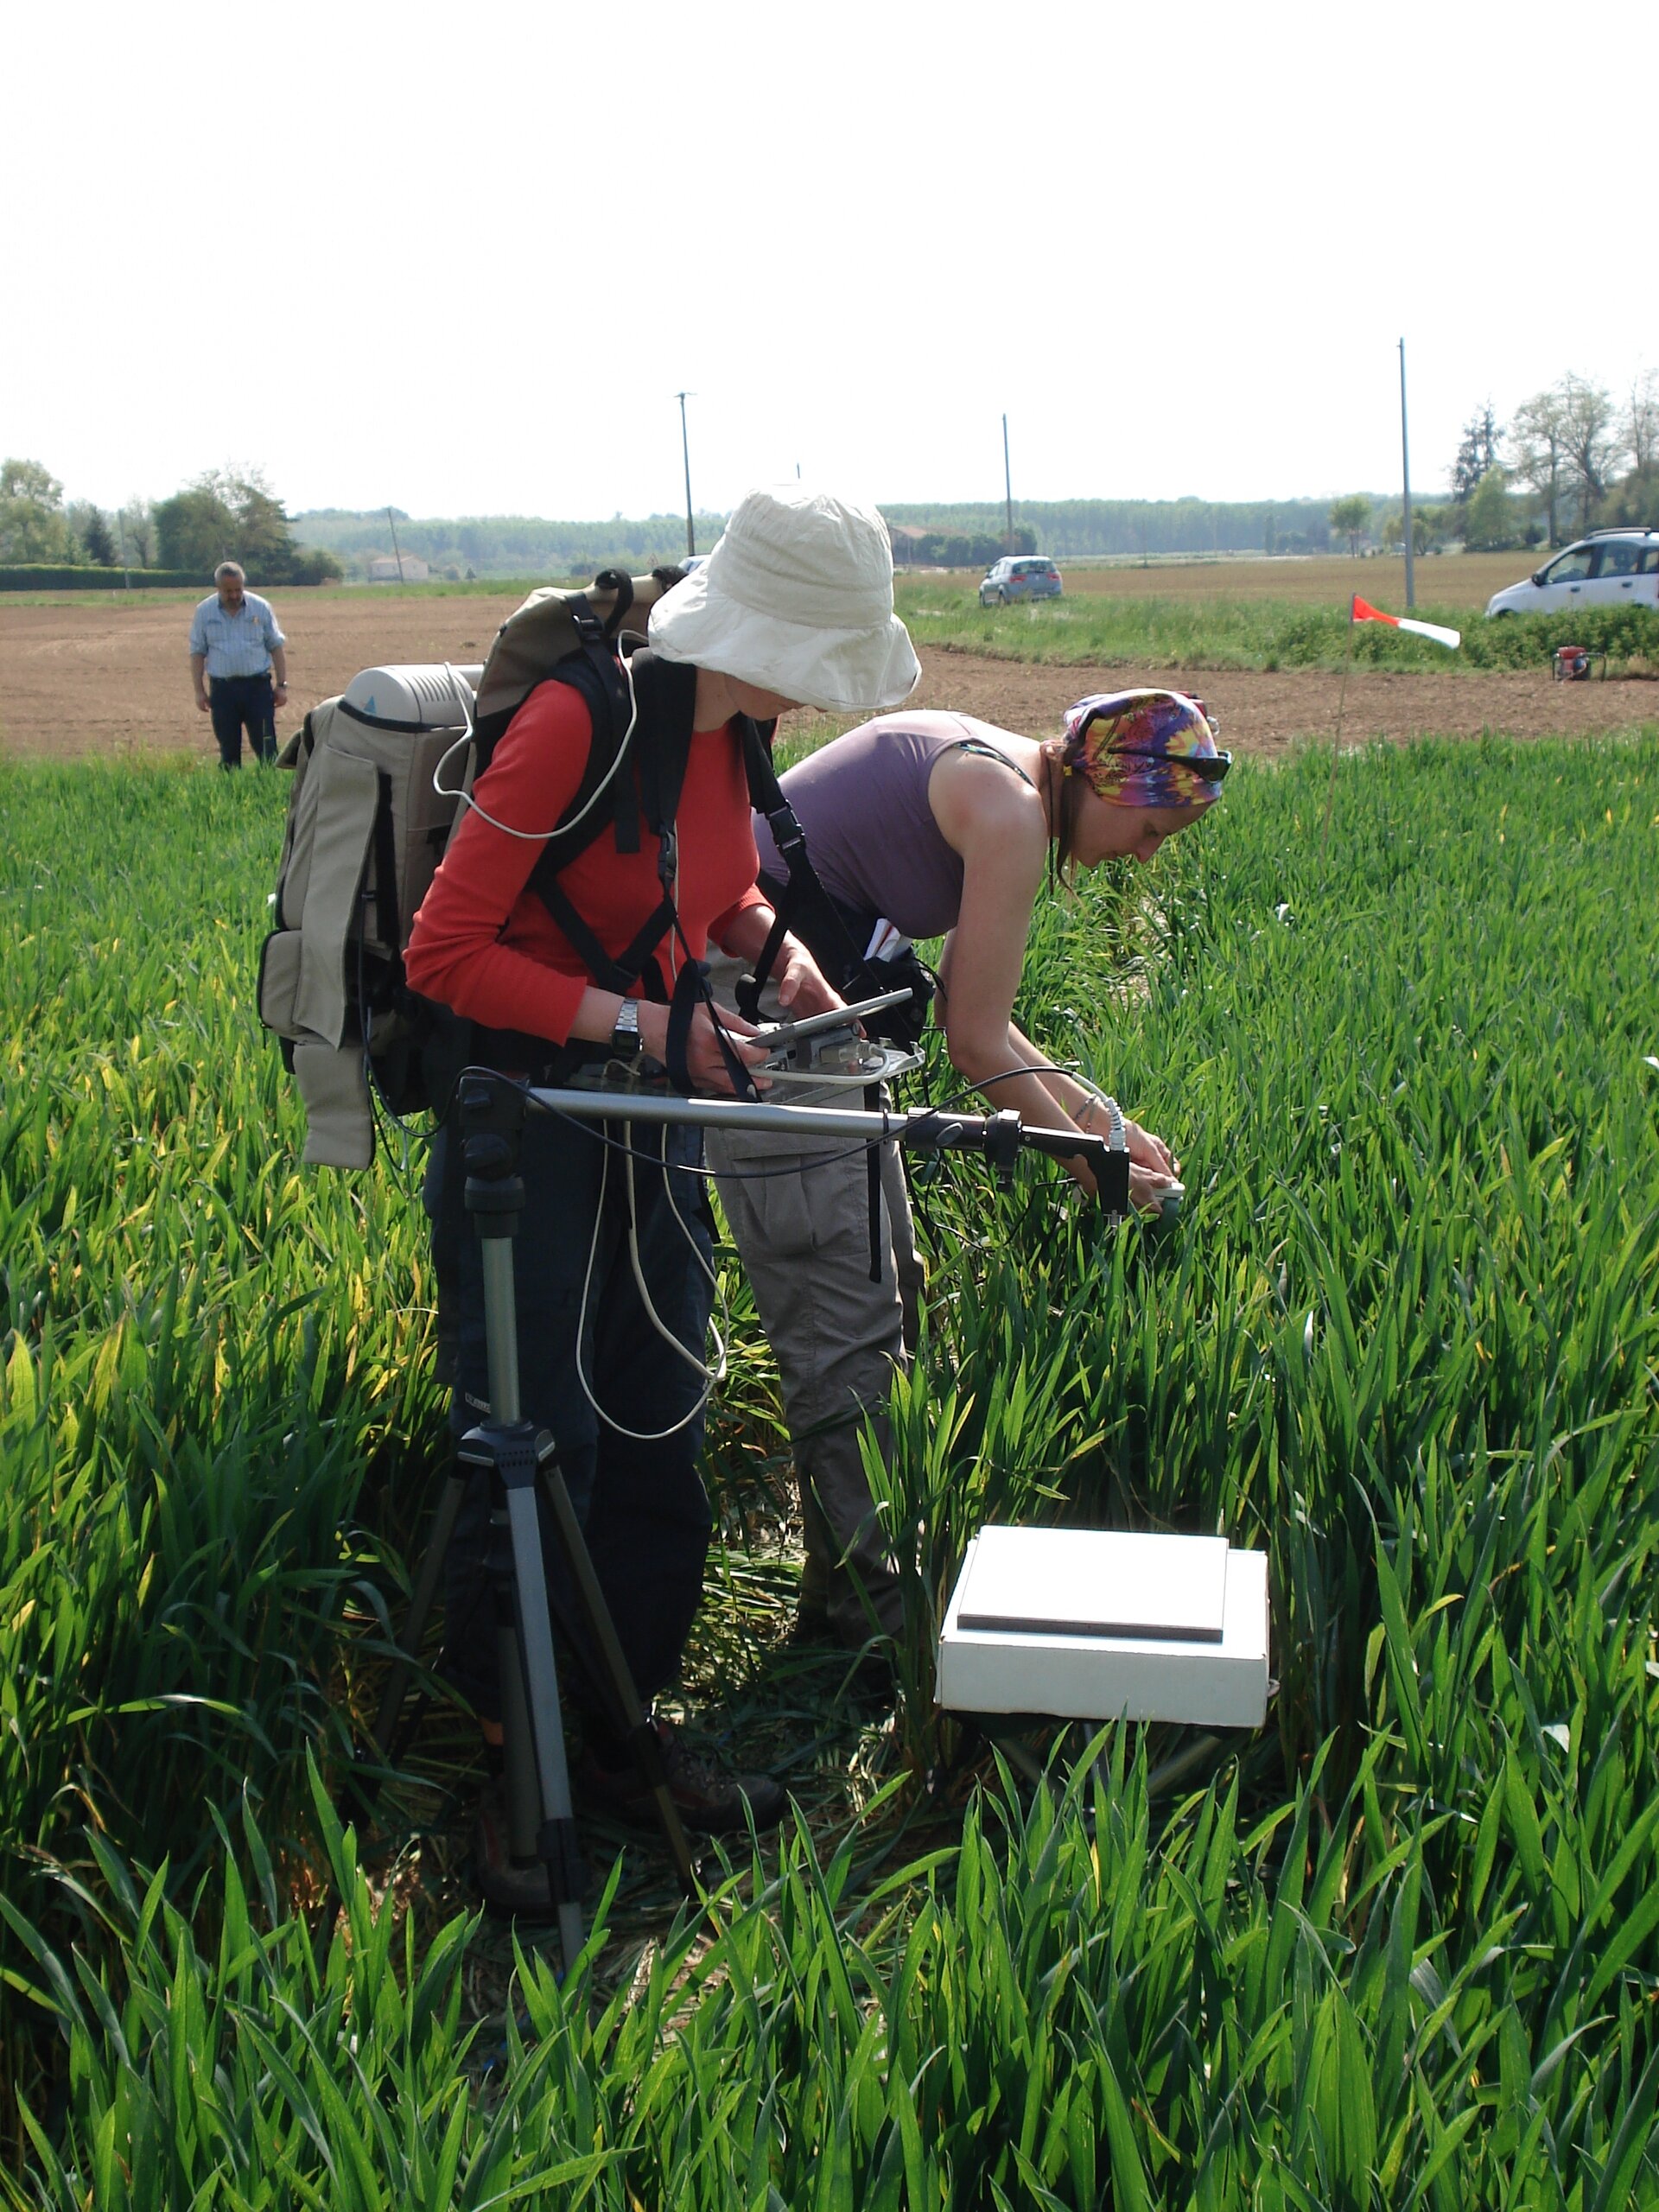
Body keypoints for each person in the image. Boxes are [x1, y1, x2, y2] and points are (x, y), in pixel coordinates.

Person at [403, 485, 918, 1873]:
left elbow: (710, 893)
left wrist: (770, 946)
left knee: (656, 1428)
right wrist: (645, 1027)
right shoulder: (584, 721)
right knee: (538, 1443)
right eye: (810, 665)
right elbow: (443, 955)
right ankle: (524, 1788)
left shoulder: (730, 737)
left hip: (653, 1112)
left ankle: (630, 1738)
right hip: (531, 1124)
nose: (816, 699)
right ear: (746, 631)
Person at [705, 690, 1229, 1652]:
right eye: (1152, 828)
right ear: (1104, 781)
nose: (1147, 854)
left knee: (883, 1282)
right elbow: (977, 1045)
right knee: (842, 1295)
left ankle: (840, 1594)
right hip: (753, 987)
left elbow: (983, 1025)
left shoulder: (1005, 778)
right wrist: (1091, 1164)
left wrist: (1105, 1122)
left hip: (800, 989)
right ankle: (876, 1618)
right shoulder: (1011, 815)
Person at [188, 561, 288, 767]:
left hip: (257, 689)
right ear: (217, 588)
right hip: (223, 691)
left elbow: (276, 647)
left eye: (238, 590)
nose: (234, 595)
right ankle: (231, 793)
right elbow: (197, 653)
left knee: (267, 749)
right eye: (228, 591)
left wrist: (281, 685)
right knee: (229, 752)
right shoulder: (204, 612)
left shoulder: (260, 608)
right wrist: (199, 691)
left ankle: (271, 791)